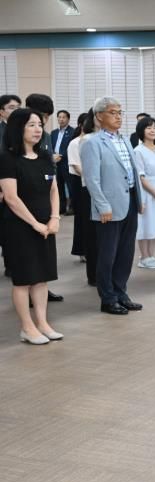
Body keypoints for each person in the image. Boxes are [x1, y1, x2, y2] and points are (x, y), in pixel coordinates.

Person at [0, 108, 64, 345]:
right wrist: (35, 224)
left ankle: (43, 323)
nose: (38, 129)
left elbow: (54, 190)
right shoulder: (7, 159)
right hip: (19, 227)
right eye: (31, 125)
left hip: (46, 225)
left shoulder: (45, 157)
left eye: (39, 125)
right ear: (18, 128)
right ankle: (27, 328)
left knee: (42, 277)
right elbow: (11, 198)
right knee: (24, 278)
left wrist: (54, 218)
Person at [81, 97, 144, 315]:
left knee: (126, 253)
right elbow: (91, 179)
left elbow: (133, 172)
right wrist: (102, 206)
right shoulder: (92, 142)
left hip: (130, 201)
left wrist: (140, 200)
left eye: (120, 112)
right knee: (108, 255)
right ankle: (108, 298)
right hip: (108, 207)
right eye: (112, 112)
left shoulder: (125, 139)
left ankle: (121, 293)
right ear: (99, 116)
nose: (118, 117)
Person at [24, 93, 64, 303]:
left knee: (45, 248)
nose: (43, 122)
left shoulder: (45, 136)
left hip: (44, 197)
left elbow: (50, 167)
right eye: (41, 116)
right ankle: (27, 289)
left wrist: (55, 214)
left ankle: (42, 288)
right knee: (27, 251)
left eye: (46, 118)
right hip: (23, 199)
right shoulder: (14, 135)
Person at [69, 110, 100, 286]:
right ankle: (91, 269)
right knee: (87, 226)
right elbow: (78, 167)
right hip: (85, 186)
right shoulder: (80, 142)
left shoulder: (109, 139)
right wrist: (94, 178)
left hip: (102, 188)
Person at [134, 116, 155, 270]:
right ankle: (144, 257)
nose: (153, 130)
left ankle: (151, 256)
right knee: (145, 223)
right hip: (147, 192)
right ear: (141, 131)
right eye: (148, 127)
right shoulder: (138, 151)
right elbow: (140, 177)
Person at [0, 94, 22, 277]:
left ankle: (15, 263)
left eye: (18, 107)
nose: (16, 111)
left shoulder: (24, 130)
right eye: (11, 108)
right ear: (1, 112)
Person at [67, 112, 88, 260]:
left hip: (91, 183)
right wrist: (92, 178)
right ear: (81, 125)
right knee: (81, 218)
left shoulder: (92, 141)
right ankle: (81, 251)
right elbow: (76, 166)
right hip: (79, 183)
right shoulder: (75, 143)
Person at [51, 109, 74, 215]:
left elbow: (71, 147)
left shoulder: (72, 132)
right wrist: (53, 156)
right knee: (59, 186)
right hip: (56, 163)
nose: (61, 119)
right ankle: (62, 207)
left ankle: (73, 207)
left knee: (70, 186)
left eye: (64, 117)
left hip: (66, 163)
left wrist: (61, 156)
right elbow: (51, 146)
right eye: (59, 117)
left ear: (68, 119)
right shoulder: (54, 133)